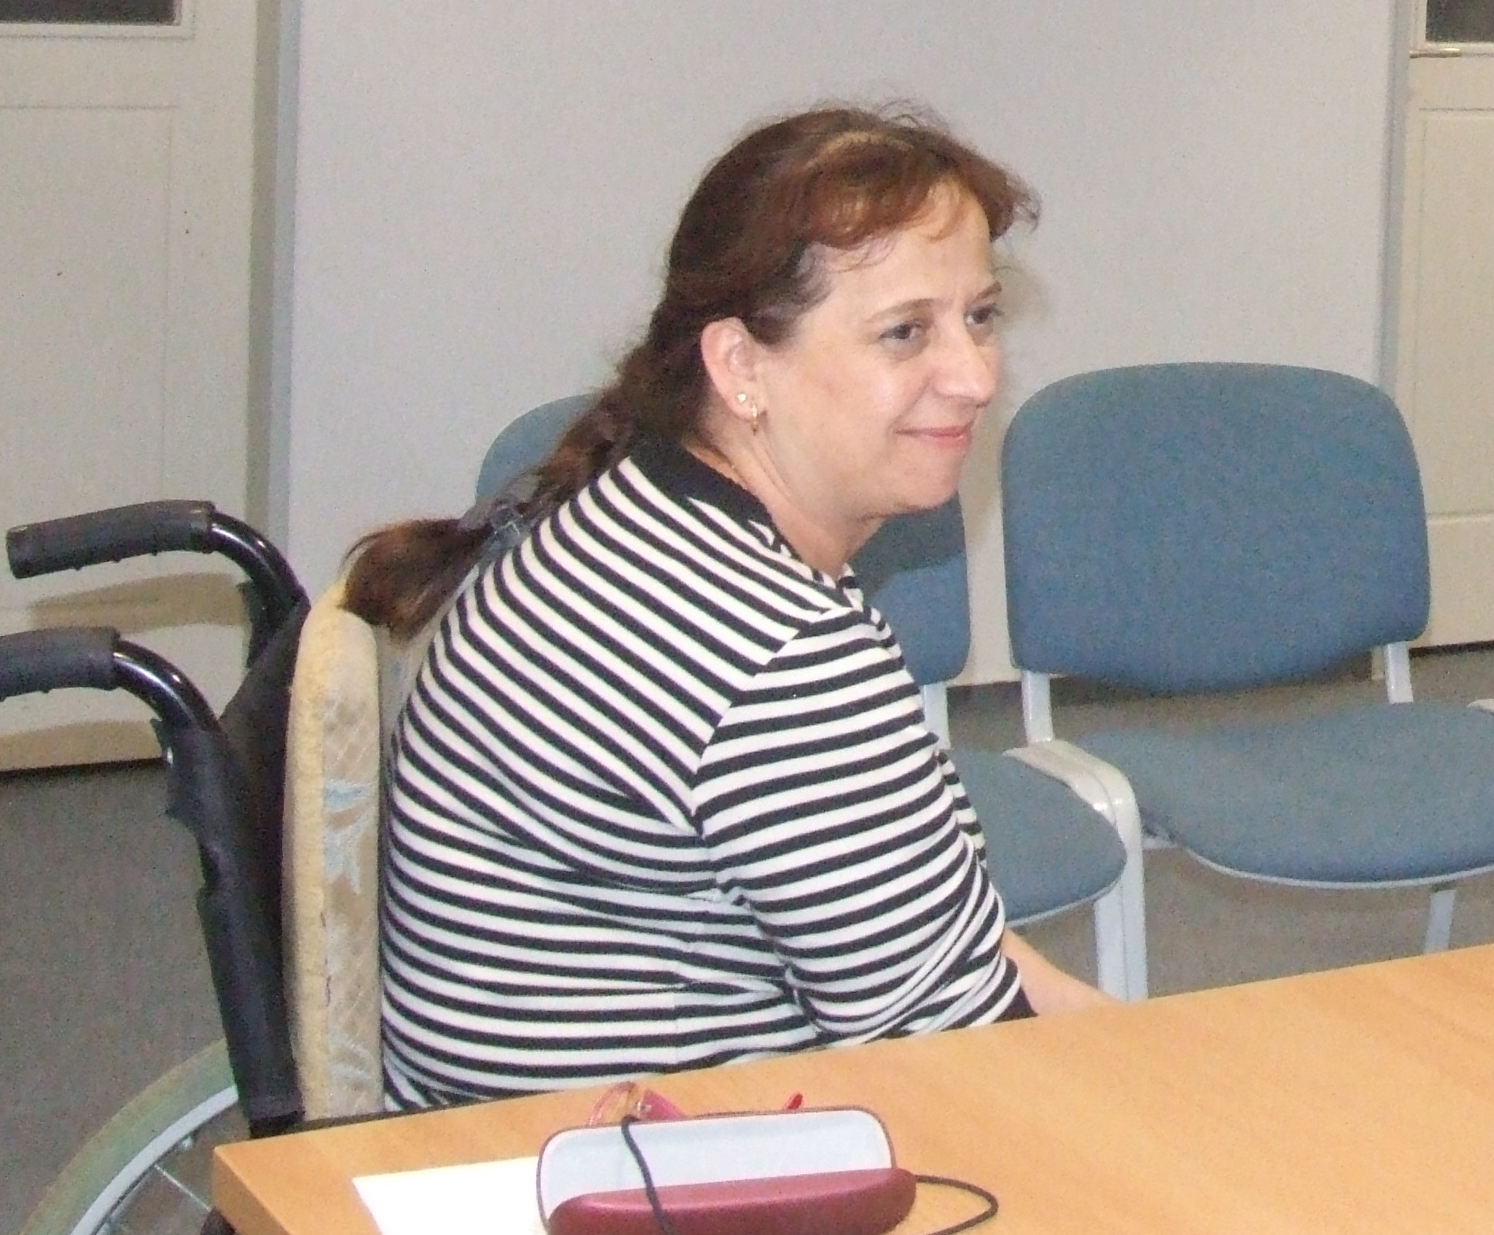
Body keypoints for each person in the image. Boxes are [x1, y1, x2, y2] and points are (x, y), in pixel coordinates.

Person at [352, 104, 1105, 1107]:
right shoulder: (773, 649)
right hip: (625, 1159)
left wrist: (1139, 1048)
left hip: (529, 1124)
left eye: (980, 317)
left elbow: (947, 954)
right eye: (904, 333)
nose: (973, 377)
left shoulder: (642, 513)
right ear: (742, 368)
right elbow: (961, 1051)